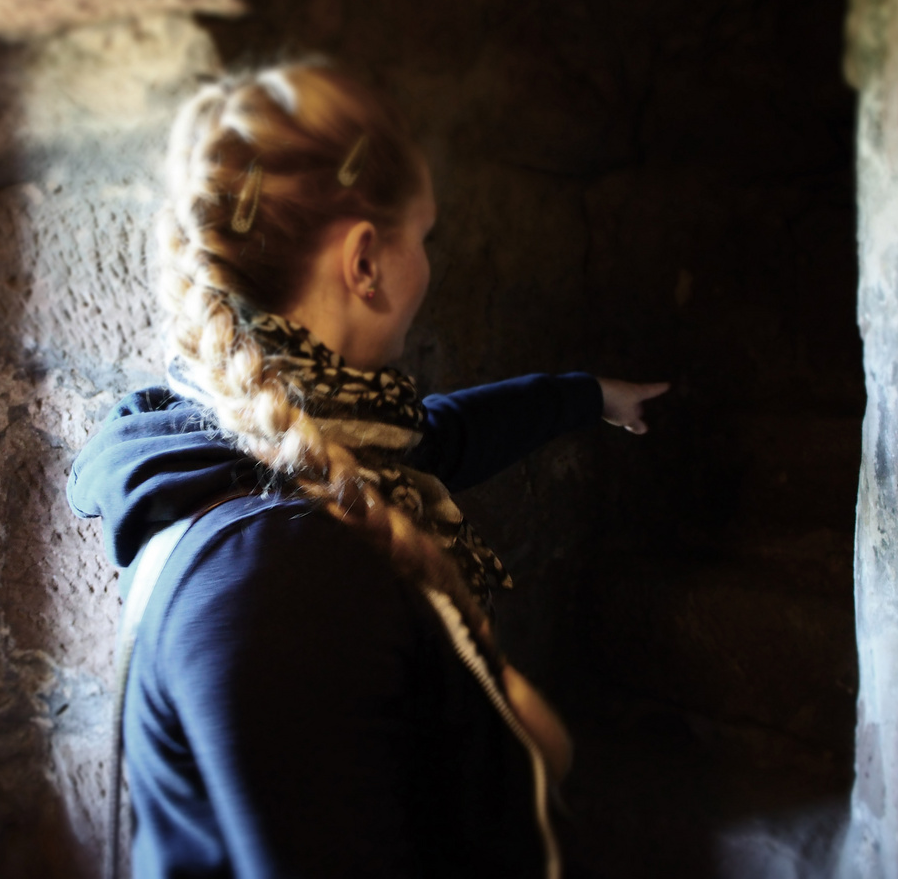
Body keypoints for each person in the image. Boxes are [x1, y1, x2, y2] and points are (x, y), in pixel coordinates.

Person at [68, 62, 668, 879]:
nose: (428, 263)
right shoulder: (280, 583)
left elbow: (432, 440)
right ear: (364, 262)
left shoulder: (242, 438)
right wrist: (517, 740)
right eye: (424, 237)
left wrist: (588, 396)